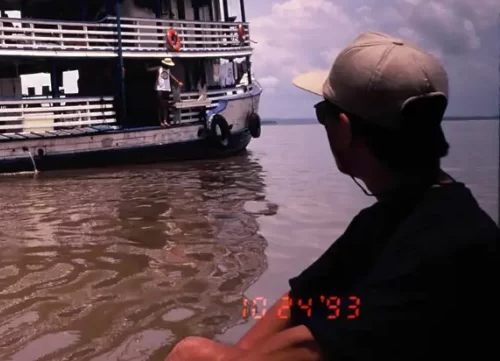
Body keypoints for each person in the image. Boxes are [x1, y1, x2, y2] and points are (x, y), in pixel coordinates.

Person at [166, 31, 498, 361]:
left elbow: (314, 346)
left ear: (342, 128)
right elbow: (301, 301)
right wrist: (238, 354)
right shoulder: (393, 216)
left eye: (322, 114)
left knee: (190, 353)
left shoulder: (446, 245)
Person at [148, 57, 183, 126]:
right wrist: (147, 67)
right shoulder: (159, 68)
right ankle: (160, 121)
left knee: (165, 106)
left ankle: (165, 120)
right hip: (160, 89)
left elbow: (171, 76)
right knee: (160, 106)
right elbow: (151, 69)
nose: (168, 65)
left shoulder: (168, 70)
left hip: (166, 89)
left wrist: (178, 82)